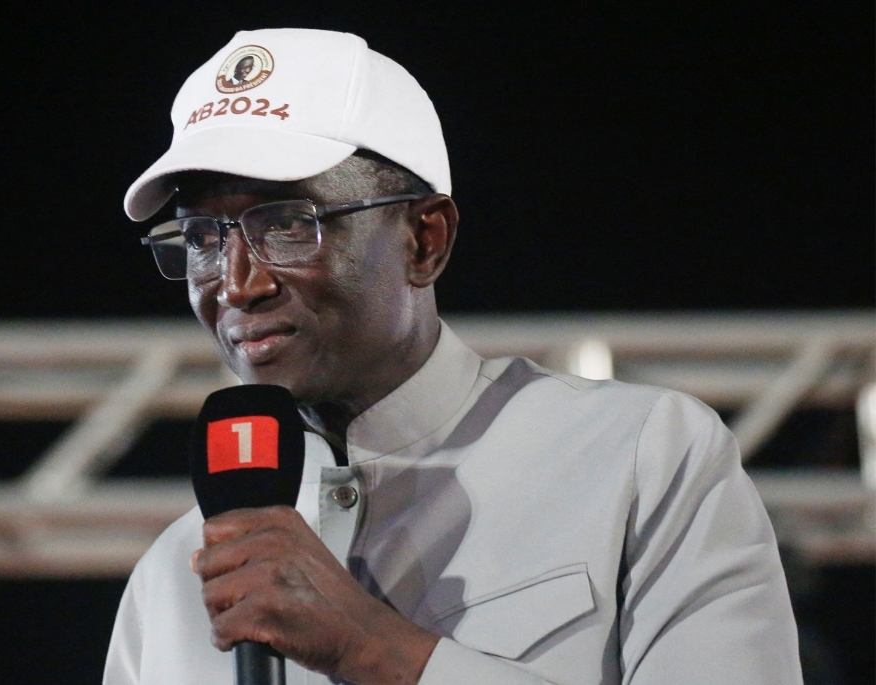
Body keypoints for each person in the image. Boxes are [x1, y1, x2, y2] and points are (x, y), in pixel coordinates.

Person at [106, 28, 802, 685]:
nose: (237, 284)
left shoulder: (638, 456)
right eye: (202, 235)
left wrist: (376, 648)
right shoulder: (170, 576)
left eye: (288, 224)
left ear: (424, 239)